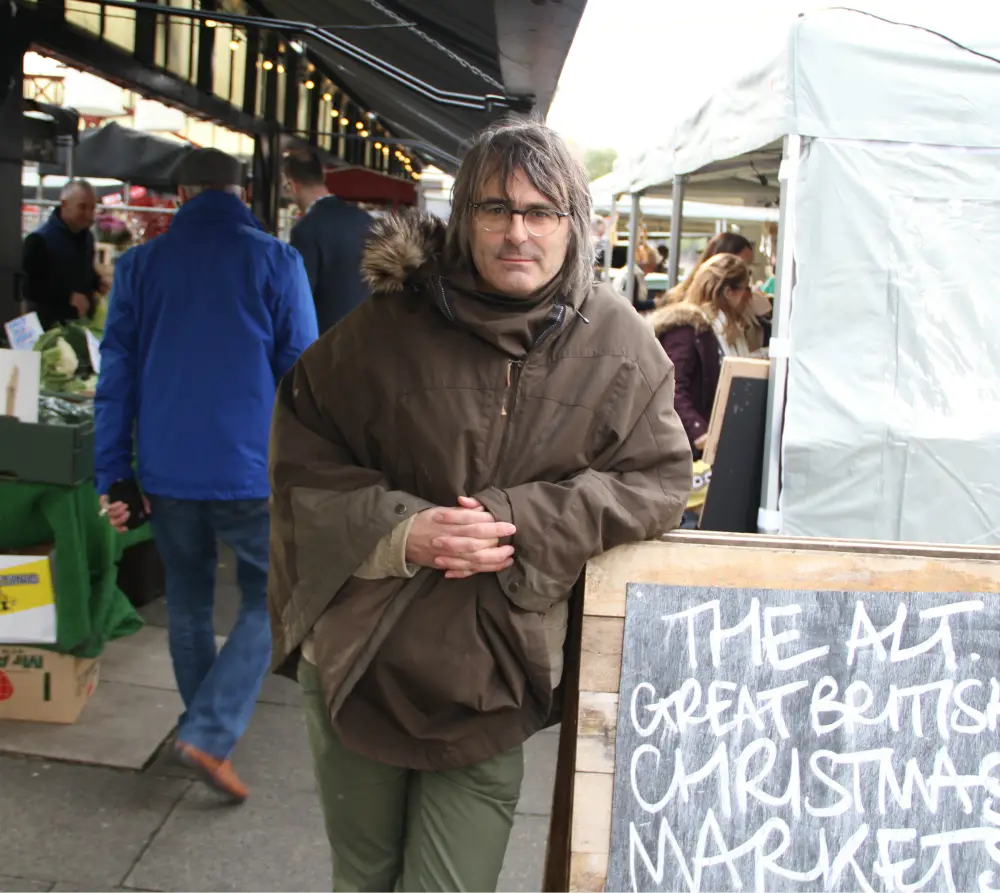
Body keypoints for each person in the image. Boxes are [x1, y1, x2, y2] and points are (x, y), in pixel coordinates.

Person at [268, 118, 692, 892]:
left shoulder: (619, 344)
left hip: (494, 666)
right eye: (495, 209)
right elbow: (302, 456)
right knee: (361, 878)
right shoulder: (387, 327)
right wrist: (406, 531)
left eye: (541, 212)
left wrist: (519, 519)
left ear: (577, 225)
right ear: (464, 218)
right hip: (362, 653)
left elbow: (658, 480)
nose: (516, 233)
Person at [94, 148, 318, 803]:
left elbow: (116, 381)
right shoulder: (276, 261)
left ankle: (204, 728)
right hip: (251, 466)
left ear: (184, 191)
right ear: (242, 190)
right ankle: (210, 732)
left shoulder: (138, 266)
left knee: (188, 600)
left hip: (164, 467)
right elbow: (302, 374)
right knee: (273, 597)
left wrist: (114, 474)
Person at [651, 253, 764, 455]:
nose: (750, 295)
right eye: (746, 288)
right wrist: (699, 432)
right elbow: (672, 387)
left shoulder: (726, 328)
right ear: (729, 292)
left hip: (705, 438)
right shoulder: (688, 329)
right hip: (687, 446)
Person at [283, 148, 373, 333]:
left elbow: (300, 297)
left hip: (328, 343)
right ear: (323, 175)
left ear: (292, 185)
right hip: (368, 336)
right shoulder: (364, 220)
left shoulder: (306, 229)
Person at [22, 180, 101, 329]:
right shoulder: (38, 240)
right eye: (82, 207)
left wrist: (98, 282)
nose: (89, 215)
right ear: (64, 204)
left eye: (92, 208)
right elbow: (29, 288)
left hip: (80, 326)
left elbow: (85, 272)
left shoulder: (88, 238)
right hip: (47, 327)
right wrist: (68, 297)